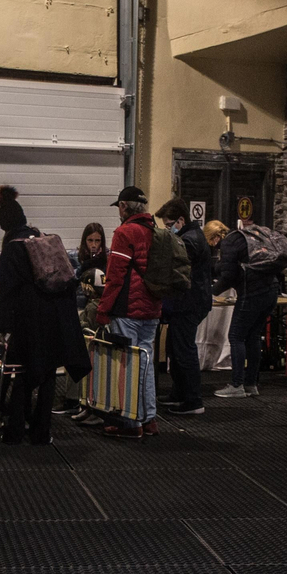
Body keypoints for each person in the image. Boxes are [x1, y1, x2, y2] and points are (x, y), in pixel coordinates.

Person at [0, 195, 90, 444]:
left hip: (29, 322)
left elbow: (7, 294)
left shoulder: (12, 248)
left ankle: (14, 432)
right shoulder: (43, 240)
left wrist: (0, 329)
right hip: (58, 319)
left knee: (24, 372)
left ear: (4, 224)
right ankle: (41, 432)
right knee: (47, 375)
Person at [94, 185, 162, 438]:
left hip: (127, 310)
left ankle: (130, 424)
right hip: (152, 308)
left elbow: (115, 276)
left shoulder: (124, 233)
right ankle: (149, 420)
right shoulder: (154, 231)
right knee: (145, 364)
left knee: (127, 367)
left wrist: (103, 310)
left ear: (123, 207)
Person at [211, 200, 280, 398]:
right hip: (271, 290)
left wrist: (212, 291)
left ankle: (236, 384)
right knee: (253, 337)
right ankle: (251, 384)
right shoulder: (256, 236)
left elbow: (229, 275)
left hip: (252, 293)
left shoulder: (231, 241)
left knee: (236, 336)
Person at [155, 200, 213, 415]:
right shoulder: (191, 237)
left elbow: (175, 268)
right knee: (175, 348)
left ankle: (193, 401)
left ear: (181, 220)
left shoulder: (188, 241)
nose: (167, 229)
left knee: (183, 350)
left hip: (188, 303)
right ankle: (180, 394)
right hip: (189, 302)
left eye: (169, 224)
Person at [58, 221, 108, 418]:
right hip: (78, 307)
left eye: (97, 240)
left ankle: (90, 401)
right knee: (74, 353)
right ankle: (72, 398)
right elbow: (69, 281)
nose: (93, 245)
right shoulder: (75, 257)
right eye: (90, 240)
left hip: (96, 309)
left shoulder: (107, 258)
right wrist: (84, 268)